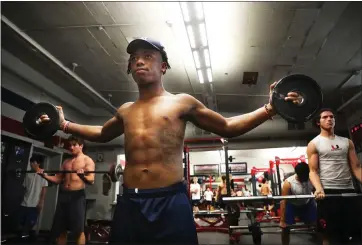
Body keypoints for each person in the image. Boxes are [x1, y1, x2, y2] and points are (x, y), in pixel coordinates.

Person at [38, 38, 300, 245]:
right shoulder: (125, 110)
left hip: (170, 200)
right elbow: (101, 133)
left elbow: (228, 127)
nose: (139, 62)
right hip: (130, 201)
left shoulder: (181, 102)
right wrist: (63, 124)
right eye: (134, 59)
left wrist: (271, 109)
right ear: (130, 69)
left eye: (148, 57)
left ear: (163, 66)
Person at [307, 108, 362, 245]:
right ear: (318, 122)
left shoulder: (346, 142)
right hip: (328, 193)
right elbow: (313, 171)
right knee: (329, 235)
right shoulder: (314, 144)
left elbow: (356, 167)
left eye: (331, 117)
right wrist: (319, 189)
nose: (329, 119)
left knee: (354, 233)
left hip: (349, 191)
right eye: (325, 117)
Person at [35, 136, 95, 245]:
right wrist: (44, 176)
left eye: (74, 145)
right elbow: (58, 179)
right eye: (69, 145)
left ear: (81, 146)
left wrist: (82, 177)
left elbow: (91, 180)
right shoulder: (66, 161)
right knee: (61, 229)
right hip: (63, 196)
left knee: (79, 230)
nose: (71, 147)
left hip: (77, 196)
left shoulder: (88, 160)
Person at [279, 162, 316, 245]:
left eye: (307, 175)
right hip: (292, 205)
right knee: (285, 228)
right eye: (304, 176)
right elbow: (283, 201)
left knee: (318, 225)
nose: (306, 178)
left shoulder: (311, 179)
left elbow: (316, 192)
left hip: (307, 203)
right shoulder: (288, 183)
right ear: (298, 174)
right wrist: (282, 220)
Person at [16, 156, 48, 240]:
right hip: (25, 202)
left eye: (33, 162)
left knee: (30, 223)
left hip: (35, 203)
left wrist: (41, 202)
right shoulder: (28, 174)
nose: (31, 164)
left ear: (38, 163)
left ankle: (28, 238)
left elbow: (44, 189)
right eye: (31, 162)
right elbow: (24, 187)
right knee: (20, 221)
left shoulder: (44, 174)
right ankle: (21, 237)